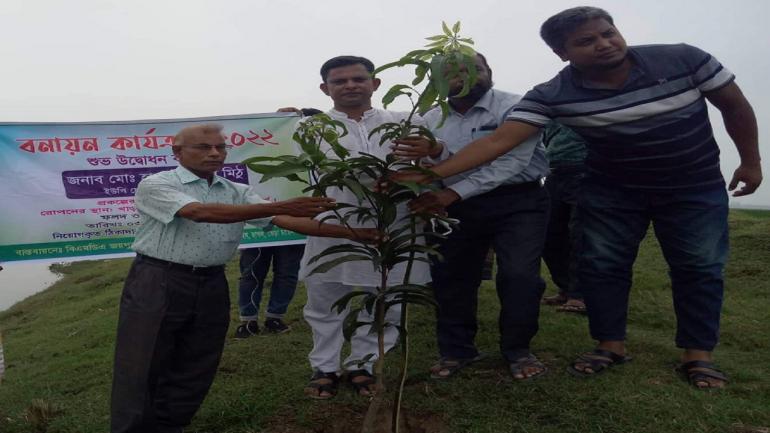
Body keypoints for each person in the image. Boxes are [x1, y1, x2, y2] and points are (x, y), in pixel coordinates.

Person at [402, 7, 761, 389]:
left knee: (699, 267)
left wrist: (751, 161)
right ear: (563, 52)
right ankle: (610, 345)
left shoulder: (683, 58)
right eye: (586, 41)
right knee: (603, 267)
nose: (604, 44)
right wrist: (428, 177)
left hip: (693, 185)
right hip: (613, 189)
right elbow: (498, 141)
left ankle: (698, 356)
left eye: (608, 33)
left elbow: (734, 104)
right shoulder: (554, 95)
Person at [110, 123, 378, 433]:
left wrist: (359, 234)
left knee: (199, 359)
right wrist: (280, 205)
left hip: (211, 282)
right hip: (159, 280)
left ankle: (172, 424)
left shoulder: (234, 190)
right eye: (204, 147)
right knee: (143, 361)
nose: (215, 153)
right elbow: (200, 212)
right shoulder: (157, 184)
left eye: (221, 147)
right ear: (177, 152)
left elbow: (286, 219)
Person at [392, 53, 550, 380]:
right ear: (436, 80)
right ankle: (456, 350)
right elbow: (430, 168)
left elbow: (509, 163)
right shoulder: (428, 118)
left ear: (489, 71)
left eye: (475, 69)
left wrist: (450, 191)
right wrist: (432, 169)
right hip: (455, 204)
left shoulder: (516, 107)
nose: (466, 77)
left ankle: (518, 349)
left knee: (520, 275)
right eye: (453, 73)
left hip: (517, 200)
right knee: (451, 277)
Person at [300, 55, 431, 399]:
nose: (350, 86)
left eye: (358, 79)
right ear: (324, 88)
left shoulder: (408, 122)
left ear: (375, 84)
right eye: (340, 81)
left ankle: (364, 364)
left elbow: (438, 160)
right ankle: (325, 366)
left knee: (386, 299)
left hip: (395, 225)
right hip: (333, 225)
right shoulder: (309, 129)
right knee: (325, 299)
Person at [234, 108, 323, 337]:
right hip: (257, 224)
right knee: (251, 273)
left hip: (296, 225)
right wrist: (278, 119)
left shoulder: (321, 156)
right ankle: (248, 320)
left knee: (287, 273)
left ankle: (275, 317)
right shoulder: (270, 146)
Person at [540, 122, 588, 314]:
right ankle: (566, 287)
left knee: (580, 235)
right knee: (547, 234)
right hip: (554, 173)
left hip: (586, 172)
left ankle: (580, 295)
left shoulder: (587, 101)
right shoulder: (551, 104)